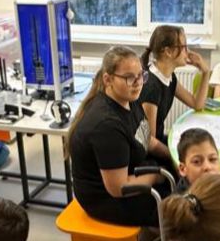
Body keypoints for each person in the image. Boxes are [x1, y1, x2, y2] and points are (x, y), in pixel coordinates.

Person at [66, 46, 170, 229]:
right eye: (129, 77)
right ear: (108, 79)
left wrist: (172, 156)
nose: (138, 83)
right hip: (106, 199)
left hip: (126, 173)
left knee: (175, 175)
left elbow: (146, 139)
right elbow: (119, 188)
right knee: (178, 208)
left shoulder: (129, 99)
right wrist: (156, 175)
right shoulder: (107, 126)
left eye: (141, 75)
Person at [139, 25, 209, 170]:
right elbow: (149, 142)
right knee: (192, 164)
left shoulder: (169, 77)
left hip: (157, 143)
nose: (188, 52)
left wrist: (205, 72)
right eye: (184, 47)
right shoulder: (151, 87)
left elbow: (197, 104)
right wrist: (175, 158)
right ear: (168, 52)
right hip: (146, 155)